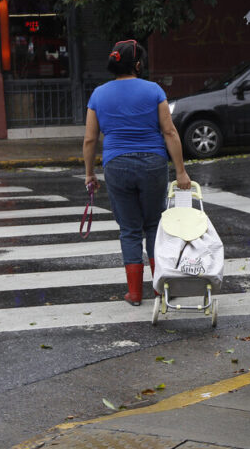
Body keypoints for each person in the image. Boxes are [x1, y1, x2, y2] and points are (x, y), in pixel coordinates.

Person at [83, 39, 191, 307]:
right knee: (154, 225)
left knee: (129, 229)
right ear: (138, 64)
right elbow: (169, 132)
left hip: (116, 164)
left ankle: (134, 293)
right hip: (153, 163)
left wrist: (89, 173)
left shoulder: (98, 94)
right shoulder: (154, 90)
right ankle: (159, 288)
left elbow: (89, 139)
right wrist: (181, 172)